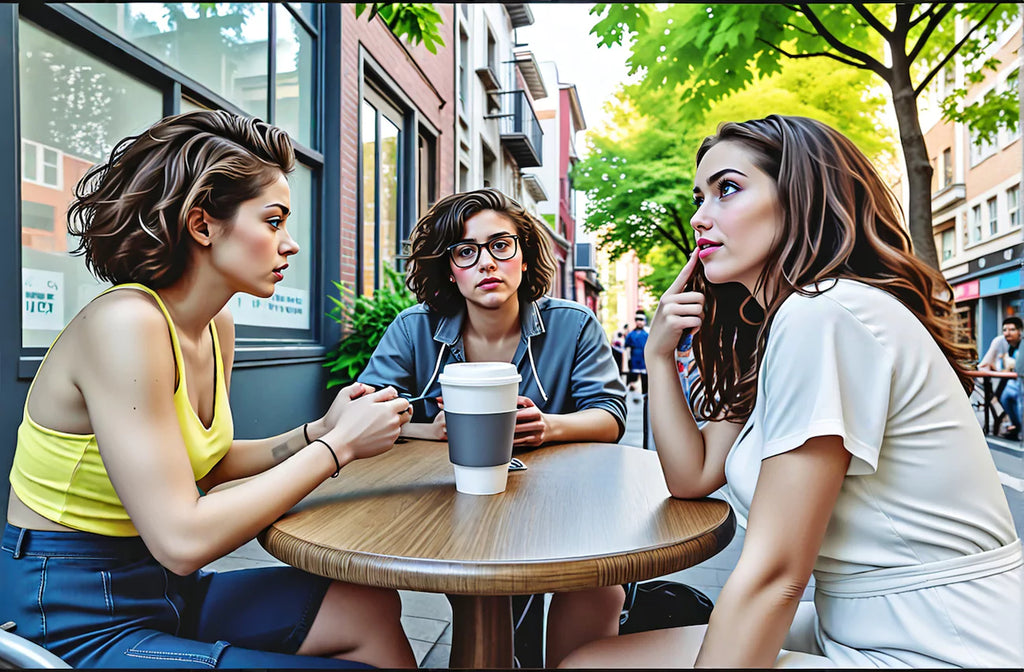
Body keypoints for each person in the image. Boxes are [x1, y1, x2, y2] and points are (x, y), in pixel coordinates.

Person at [560, 115, 1022, 668]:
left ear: (801, 195)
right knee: (593, 652)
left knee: (585, 664)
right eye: (698, 197)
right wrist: (659, 356)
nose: (700, 218)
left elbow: (777, 572)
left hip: (940, 643)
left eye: (726, 189)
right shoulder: (784, 325)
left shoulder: (823, 314)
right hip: (857, 620)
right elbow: (693, 476)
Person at [1, 110, 417, 669]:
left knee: (365, 604)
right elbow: (182, 540)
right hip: (73, 615)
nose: (289, 245)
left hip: (160, 589)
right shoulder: (126, 324)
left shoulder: (214, 326)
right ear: (202, 225)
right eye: (273, 221)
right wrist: (336, 448)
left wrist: (318, 430)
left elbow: (205, 466)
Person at [358, 188, 627, 667]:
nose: (487, 263)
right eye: (466, 251)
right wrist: (431, 432)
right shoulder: (414, 328)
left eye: (501, 245)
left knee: (601, 589)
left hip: (558, 508)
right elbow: (358, 411)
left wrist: (548, 426)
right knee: (477, 596)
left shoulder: (573, 324)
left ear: (524, 257)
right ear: (448, 268)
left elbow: (610, 414)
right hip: (449, 510)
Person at [979, 316, 1022, 440]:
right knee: (1006, 396)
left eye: (1012, 330)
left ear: (1020, 331)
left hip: (1017, 381)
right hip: (1008, 382)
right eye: (1005, 330)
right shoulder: (1000, 342)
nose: (1007, 333)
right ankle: (1017, 426)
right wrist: (996, 372)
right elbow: (984, 365)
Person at [624, 311, 649, 398]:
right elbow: (626, 348)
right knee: (632, 385)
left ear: (644, 321)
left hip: (644, 362)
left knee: (645, 387)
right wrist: (627, 362)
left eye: (641, 319)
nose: (639, 321)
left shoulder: (647, 335)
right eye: (637, 319)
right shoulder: (630, 335)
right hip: (634, 362)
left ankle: (645, 402)